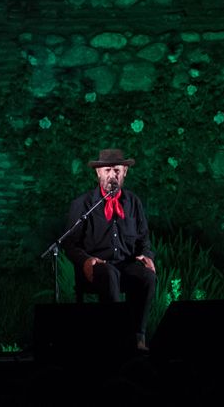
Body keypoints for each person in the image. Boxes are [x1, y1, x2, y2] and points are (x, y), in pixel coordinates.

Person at [63, 147, 158, 350]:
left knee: (147, 276)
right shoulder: (83, 204)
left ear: (125, 172)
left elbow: (144, 239)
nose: (112, 175)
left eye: (116, 170)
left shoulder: (133, 203)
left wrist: (147, 256)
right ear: (98, 173)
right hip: (99, 266)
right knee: (109, 274)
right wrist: (86, 260)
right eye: (107, 170)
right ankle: (117, 338)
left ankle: (138, 337)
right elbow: (70, 244)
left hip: (126, 264)